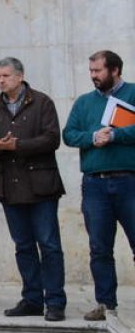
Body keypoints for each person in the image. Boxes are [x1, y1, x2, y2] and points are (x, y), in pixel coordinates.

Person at [0, 57, 66, 322]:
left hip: (41, 187)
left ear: (20, 76)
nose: (1, 80)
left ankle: (55, 301)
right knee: (23, 246)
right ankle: (32, 299)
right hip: (10, 187)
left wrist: (17, 145)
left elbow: (52, 139)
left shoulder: (42, 102)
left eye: (5, 75)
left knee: (49, 245)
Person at [63, 50, 135, 322]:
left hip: (129, 181)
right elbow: (69, 134)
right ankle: (106, 303)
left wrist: (116, 134)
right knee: (99, 248)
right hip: (95, 185)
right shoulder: (83, 103)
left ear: (115, 70)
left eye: (98, 71)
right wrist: (92, 137)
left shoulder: (133, 93)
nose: (93, 76)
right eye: (91, 71)